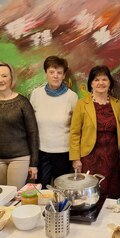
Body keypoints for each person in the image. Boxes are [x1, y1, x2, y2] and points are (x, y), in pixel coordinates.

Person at [0, 62, 39, 188]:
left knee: (14, 195)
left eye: (4, 76)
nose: (0, 80)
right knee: (3, 196)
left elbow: (33, 133)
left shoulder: (22, 103)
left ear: (11, 78)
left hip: (19, 158)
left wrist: (33, 163)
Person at [70, 65, 120, 198]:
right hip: (90, 158)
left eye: (104, 79)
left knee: (112, 194)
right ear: (91, 84)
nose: (101, 83)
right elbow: (75, 133)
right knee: (90, 194)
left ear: (110, 82)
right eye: (96, 80)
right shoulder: (82, 104)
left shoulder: (117, 104)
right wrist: (76, 159)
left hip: (113, 158)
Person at [30, 56, 78, 187]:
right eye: (52, 72)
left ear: (64, 75)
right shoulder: (36, 94)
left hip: (63, 154)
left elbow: (76, 129)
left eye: (59, 72)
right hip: (41, 153)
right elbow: (30, 126)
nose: (55, 76)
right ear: (46, 73)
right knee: (42, 190)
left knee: (62, 193)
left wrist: (75, 157)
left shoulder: (72, 97)